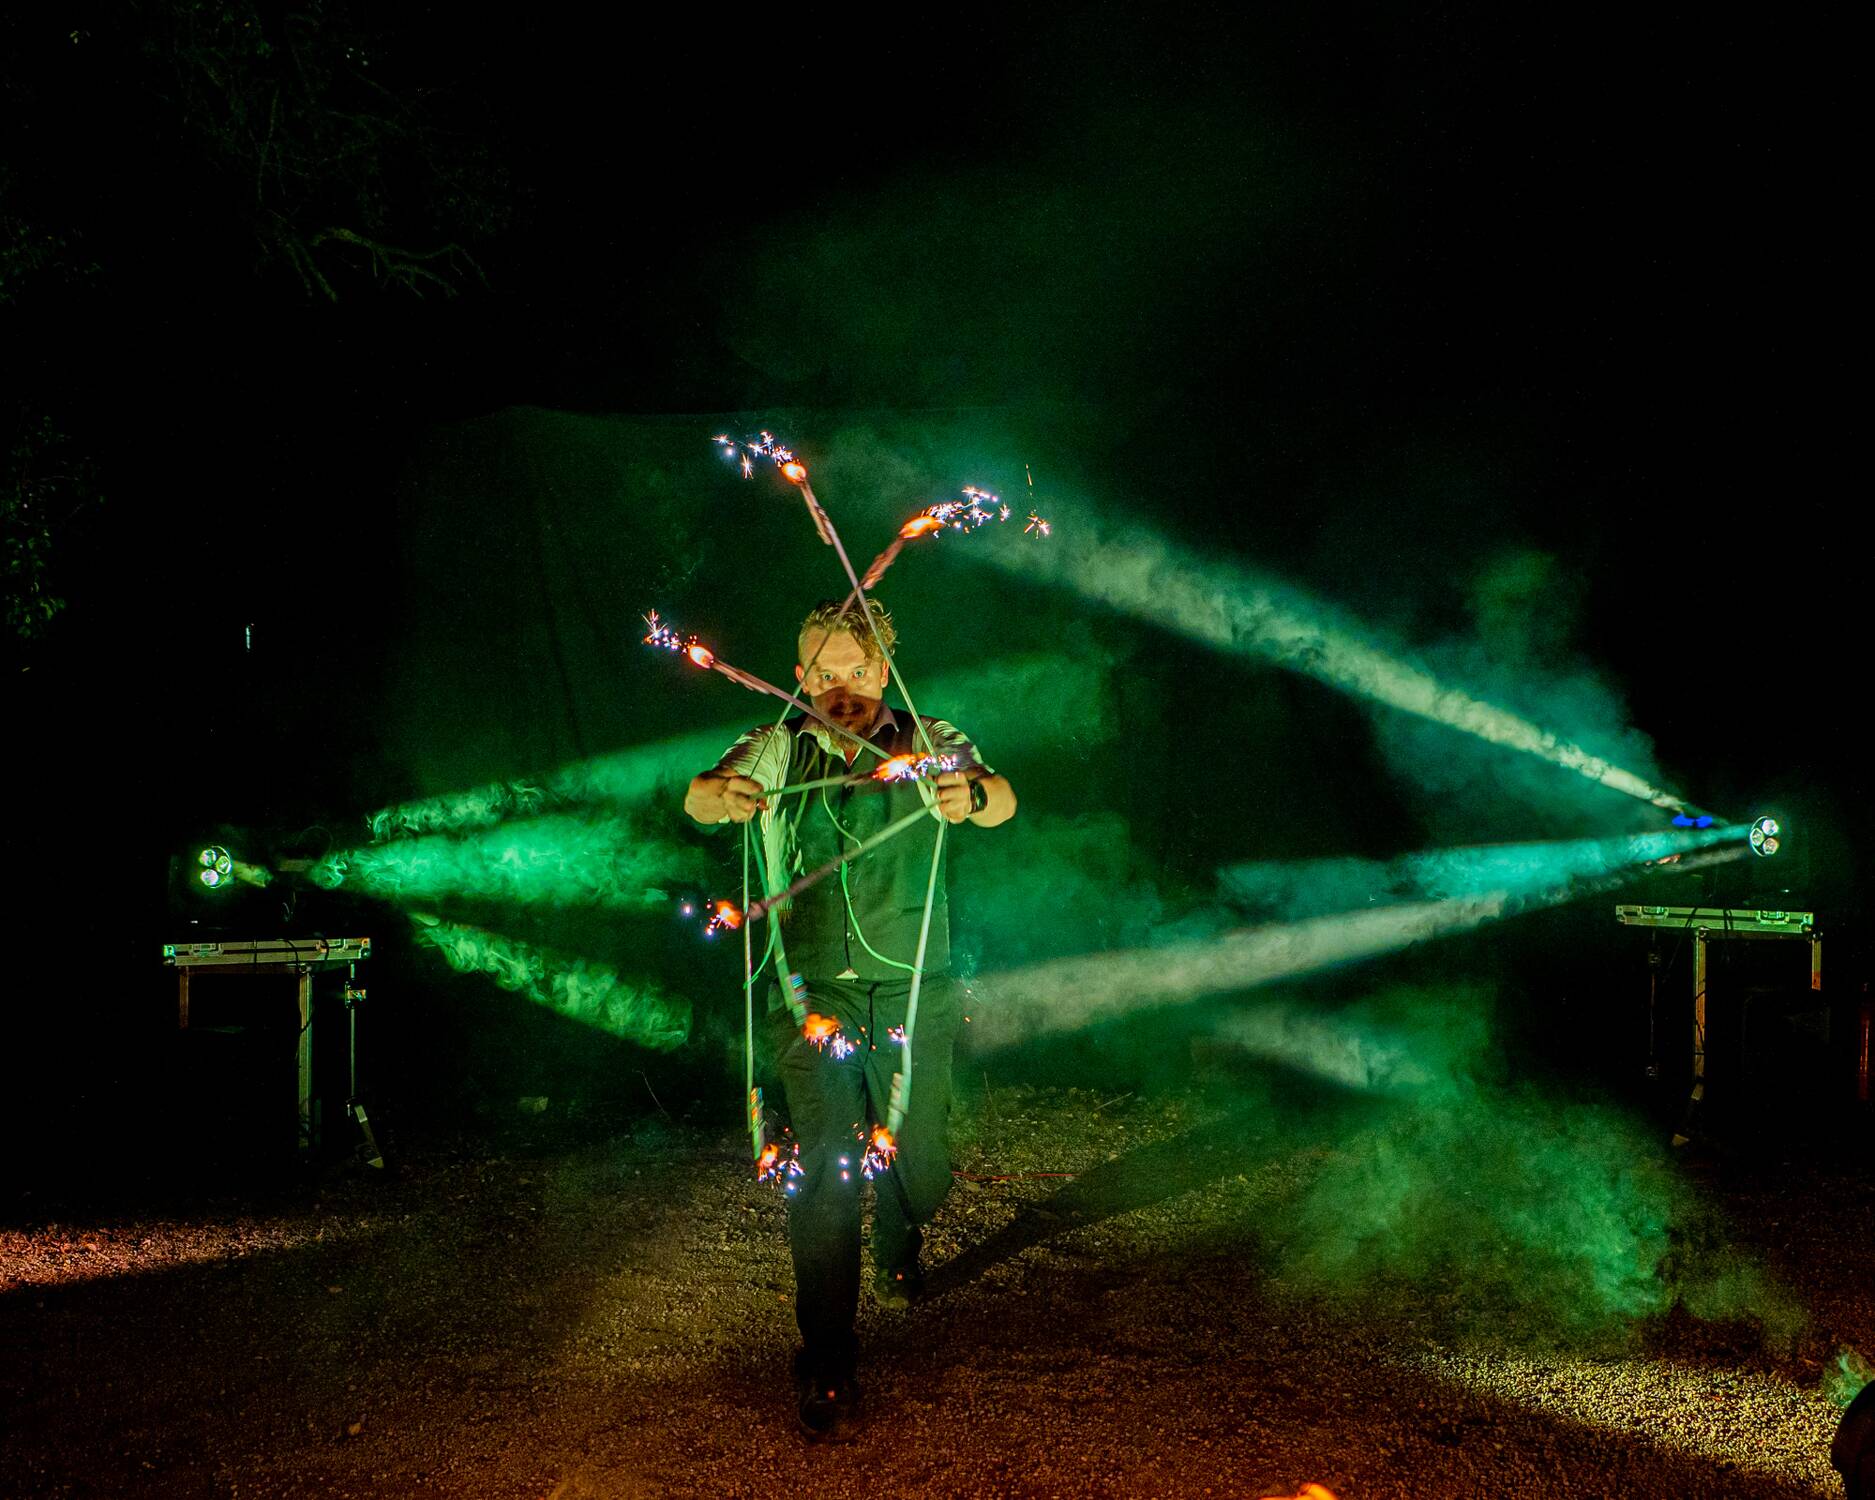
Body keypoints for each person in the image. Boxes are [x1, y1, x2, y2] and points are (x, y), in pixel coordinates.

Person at [684, 598, 1016, 1440]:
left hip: (914, 991)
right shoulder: (775, 745)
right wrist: (723, 796)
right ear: (800, 677)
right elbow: (703, 796)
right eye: (824, 673)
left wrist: (970, 795)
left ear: (884, 670)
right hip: (811, 998)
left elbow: (1001, 797)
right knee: (828, 1175)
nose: (842, 689)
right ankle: (827, 1361)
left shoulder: (930, 736)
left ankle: (901, 1235)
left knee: (922, 1169)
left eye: (858, 672)